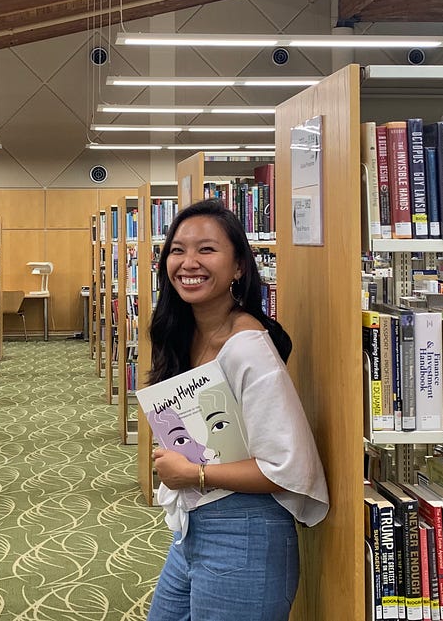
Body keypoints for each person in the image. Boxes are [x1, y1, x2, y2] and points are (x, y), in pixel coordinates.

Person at [145, 200, 329, 621]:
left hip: (245, 530)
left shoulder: (248, 347)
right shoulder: (183, 333)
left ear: (239, 267)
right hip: (195, 528)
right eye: (177, 250)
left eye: (206, 250)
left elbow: (289, 467)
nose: (188, 262)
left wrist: (192, 473)